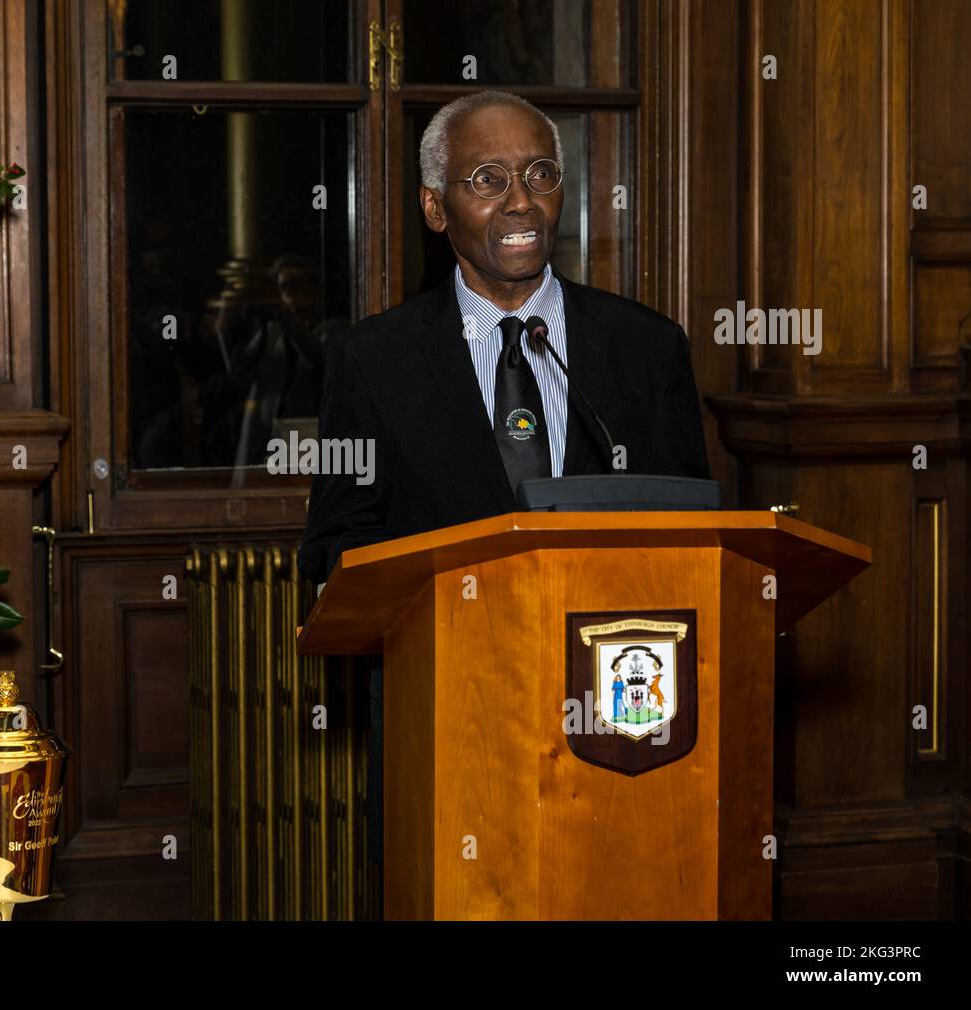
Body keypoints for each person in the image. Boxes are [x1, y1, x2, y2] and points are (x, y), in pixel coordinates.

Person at [298, 90, 711, 864]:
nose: (521, 200)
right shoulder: (373, 359)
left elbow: (689, 527)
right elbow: (337, 539)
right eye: (487, 179)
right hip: (449, 711)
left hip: (621, 718)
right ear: (434, 207)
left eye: (540, 173)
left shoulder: (647, 347)